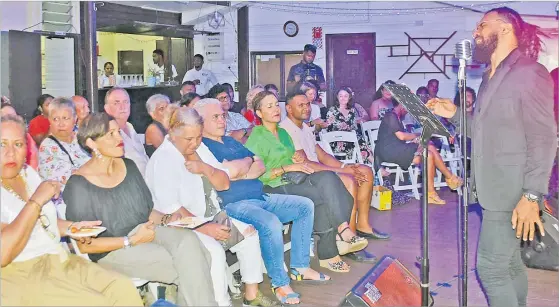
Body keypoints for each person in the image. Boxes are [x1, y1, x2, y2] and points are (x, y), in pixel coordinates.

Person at [426, 7, 557, 307]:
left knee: (490, 268)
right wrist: (456, 114)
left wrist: (532, 195)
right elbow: (483, 130)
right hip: (491, 187)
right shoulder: (489, 76)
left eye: (482, 25)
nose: (476, 32)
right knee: (509, 263)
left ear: (506, 29)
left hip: (511, 190)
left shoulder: (529, 72)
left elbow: (544, 137)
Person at [63, 113, 217, 306]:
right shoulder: (79, 185)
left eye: (118, 132)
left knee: (189, 241)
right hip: (113, 250)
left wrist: (168, 218)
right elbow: (86, 245)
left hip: (144, 230)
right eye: (110, 134)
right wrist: (131, 240)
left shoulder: (129, 166)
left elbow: (147, 212)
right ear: (92, 143)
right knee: (195, 264)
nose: (120, 138)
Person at [194, 98, 329, 305]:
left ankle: (300, 267)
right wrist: (239, 169)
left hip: (260, 196)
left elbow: (260, 166)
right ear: (201, 122)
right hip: (235, 203)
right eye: (216, 117)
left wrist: (240, 169)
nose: (222, 120)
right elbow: (224, 175)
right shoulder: (202, 147)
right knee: (271, 223)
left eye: (222, 115)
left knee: (304, 206)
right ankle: (280, 283)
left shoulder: (230, 141)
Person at [0, 114, 143, 306]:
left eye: (18, 144)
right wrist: (35, 202)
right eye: (2, 144)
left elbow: (43, 222)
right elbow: (3, 254)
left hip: (58, 259)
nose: (11, 153)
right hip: (21, 273)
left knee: (123, 289)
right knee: (98, 303)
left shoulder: (28, 174)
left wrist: (73, 228)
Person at [146, 107, 277, 307]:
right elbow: (172, 211)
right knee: (214, 251)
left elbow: (223, 183)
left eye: (198, 137)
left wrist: (204, 167)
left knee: (249, 234)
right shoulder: (164, 159)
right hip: (177, 226)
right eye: (188, 139)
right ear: (172, 133)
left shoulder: (198, 149)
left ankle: (251, 296)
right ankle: (220, 302)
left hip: (206, 216)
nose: (195, 143)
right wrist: (206, 228)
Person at [245, 91, 368, 273]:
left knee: (329, 178)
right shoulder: (256, 137)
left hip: (293, 180)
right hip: (272, 186)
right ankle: (333, 247)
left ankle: (341, 229)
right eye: (268, 106)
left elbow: (288, 158)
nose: (275, 109)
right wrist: (286, 168)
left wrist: (293, 159)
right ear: (259, 113)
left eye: (275, 104)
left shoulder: (283, 133)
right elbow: (254, 175)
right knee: (320, 197)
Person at [281, 92, 388, 261]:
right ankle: (348, 237)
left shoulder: (304, 127)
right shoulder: (286, 129)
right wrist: (345, 172)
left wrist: (346, 166)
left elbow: (322, 155)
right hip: (306, 176)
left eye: (307, 104)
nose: (306, 108)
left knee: (365, 171)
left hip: (320, 169)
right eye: (300, 105)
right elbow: (307, 163)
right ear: (288, 108)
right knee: (349, 180)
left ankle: (363, 226)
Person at [38, 98, 91, 218]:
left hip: (92, 195)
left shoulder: (82, 137)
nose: (61, 124)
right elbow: (66, 179)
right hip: (66, 204)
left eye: (65, 118)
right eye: (55, 119)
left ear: (75, 119)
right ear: (50, 121)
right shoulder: (47, 147)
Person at [103, 87, 150, 177]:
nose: (122, 107)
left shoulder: (130, 127)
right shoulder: (107, 134)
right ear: (107, 108)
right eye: (116, 103)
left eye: (126, 102)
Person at [326, 87, 374, 164]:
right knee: (360, 147)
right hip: (338, 140)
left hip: (352, 139)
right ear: (337, 97)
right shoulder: (332, 110)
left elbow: (353, 127)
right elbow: (329, 128)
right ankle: (376, 169)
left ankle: (368, 166)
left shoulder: (352, 110)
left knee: (363, 144)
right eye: (340, 96)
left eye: (345, 96)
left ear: (349, 97)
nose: (343, 98)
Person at [1, 102, 39, 170]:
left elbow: (34, 159)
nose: (10, 121)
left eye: (13, 116)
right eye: (5, 118)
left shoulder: (27, 137)